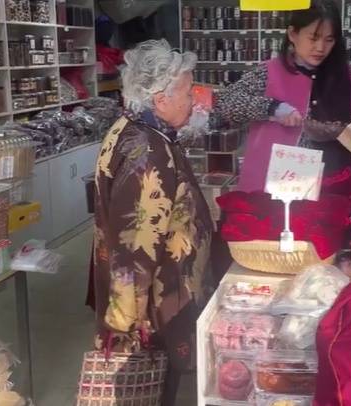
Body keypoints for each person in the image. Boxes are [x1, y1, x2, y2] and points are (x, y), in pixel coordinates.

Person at [92, 39, 213, 406]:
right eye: (188, 92)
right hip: (156, 309)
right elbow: (135, 249)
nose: (194, 100)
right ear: (161, 100)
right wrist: (124, 324)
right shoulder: (147, 153)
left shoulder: (132, 127)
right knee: (153, 386)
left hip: (156, 299)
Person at [216, 0, 351, 196]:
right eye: (313, 38)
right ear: (293, 34)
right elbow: (226, 102)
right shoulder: (269, 72)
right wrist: (272, 108)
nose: (321, 48)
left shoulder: (344, 74)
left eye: (329, 40)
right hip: (284, 184)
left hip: (338, 183)